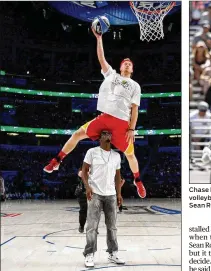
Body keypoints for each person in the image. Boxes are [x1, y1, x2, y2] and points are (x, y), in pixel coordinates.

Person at [44, 27, 146, 198]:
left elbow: (135, 108)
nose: (127, 64)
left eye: (130, 64)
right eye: (125, 62)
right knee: (77, 134)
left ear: (132, 70)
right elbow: (101, 59)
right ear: (120, 67)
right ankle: (57, 161)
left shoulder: (135, 86)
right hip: (105, 117)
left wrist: (131, 128)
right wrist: (99, 38)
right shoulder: (112, 76)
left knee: (130, 154)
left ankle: (138, 181)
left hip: (122, 122)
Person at [81, 131, 124, 268]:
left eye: (110, 134)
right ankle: (89, 254)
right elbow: (84, 171)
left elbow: (118, 177)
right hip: (95, 194)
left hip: (111, 194)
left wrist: (119, 194)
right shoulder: (92, 152)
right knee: (92, 226)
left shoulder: (117, 156)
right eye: (105, 134)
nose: (108, 136)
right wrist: (87, 187)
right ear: (99, 138)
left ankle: (113, 253)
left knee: (112, 227)